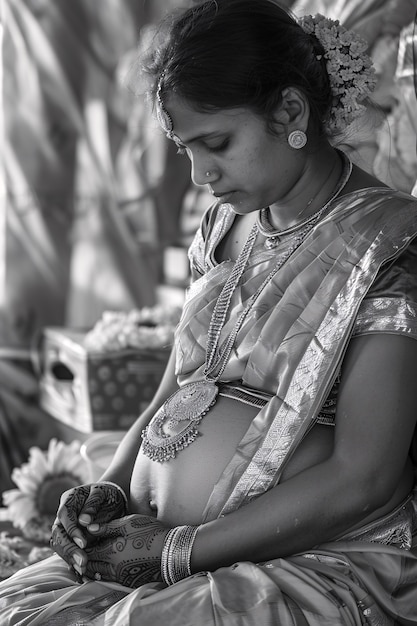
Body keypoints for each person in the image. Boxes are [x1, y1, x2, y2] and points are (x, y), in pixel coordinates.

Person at [1, 1, 417, 623]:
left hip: (316, 561)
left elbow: (365, 475)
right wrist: (111, 489)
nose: (199, 174)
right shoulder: (226, 225)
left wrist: (182, 553)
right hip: (165, 548)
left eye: (216, 143)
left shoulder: (388, 245)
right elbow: (177, 389)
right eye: (183, 147)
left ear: (292, 112)